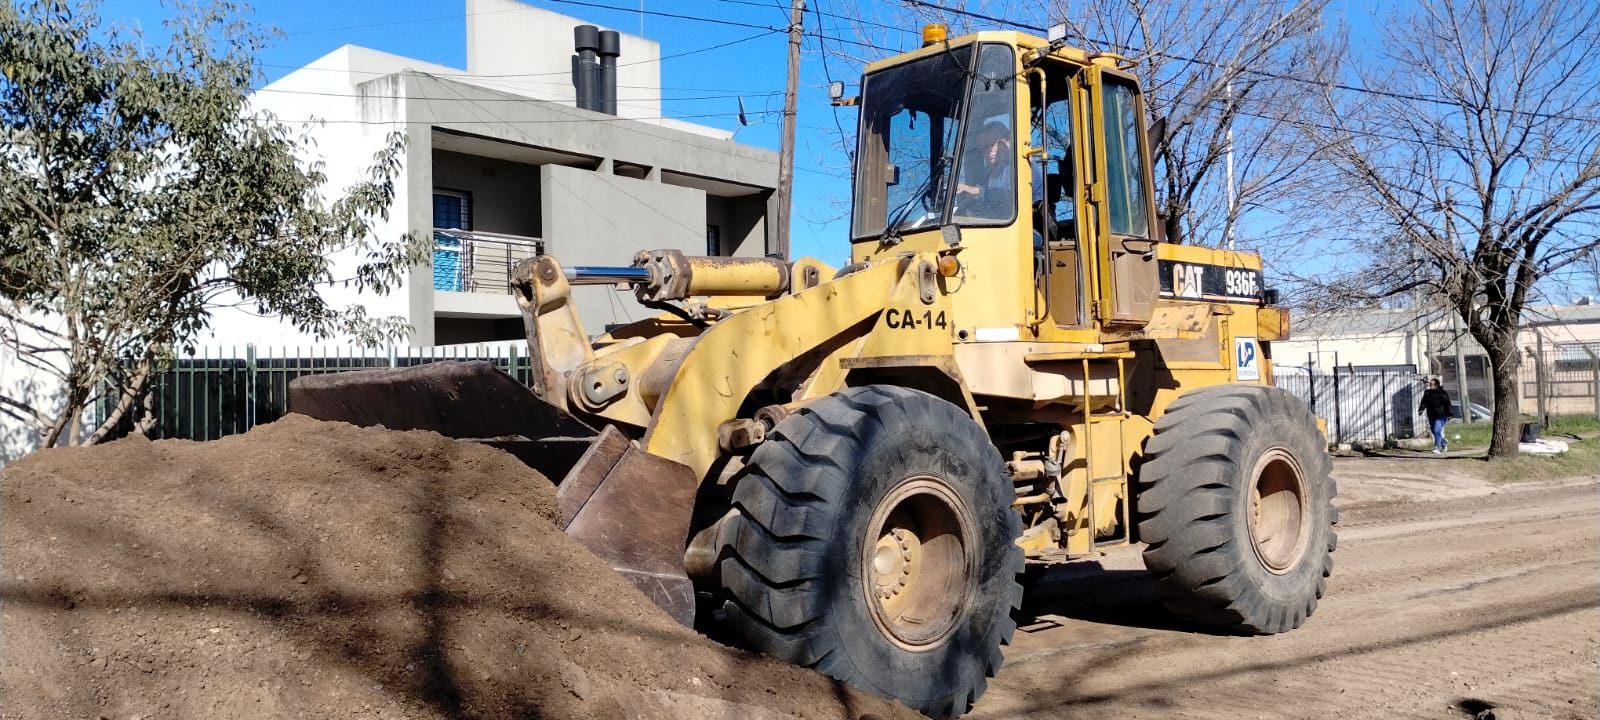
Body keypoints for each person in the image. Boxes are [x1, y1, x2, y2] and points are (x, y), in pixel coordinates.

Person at [955, 120, 1014, 219]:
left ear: (1006, 142)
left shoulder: (1023, 168)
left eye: (992, 144)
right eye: (984, 147)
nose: (988, 151)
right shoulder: (987, 175)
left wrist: (976, 191)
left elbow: (1012, 199)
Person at [1417, 377, 1453, 454]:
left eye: (1431, 384)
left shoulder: (1442, 393)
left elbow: (1447, 404)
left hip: (1441, 415)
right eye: (1429, 384)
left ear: (1436, 385)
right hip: (1431, 414)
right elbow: (1424, 402)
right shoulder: (1427, 393)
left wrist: (1450, 414)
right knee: (1434, 431)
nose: (1430, 385)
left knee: (1437, 431)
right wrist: (1421, 409)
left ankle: (1437, 447)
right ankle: (1443, 442)